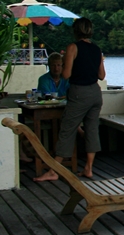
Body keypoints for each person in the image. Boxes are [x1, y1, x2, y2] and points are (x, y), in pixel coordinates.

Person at [34, 18, 105, 182]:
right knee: (92, 129)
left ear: (75, 30)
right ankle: (89, 168)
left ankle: (53, 170)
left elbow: (66, 74)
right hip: (95, 93)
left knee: (67, 130)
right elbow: (101, 75)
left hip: (79, 93)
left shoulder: (73, 47)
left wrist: (70, 64)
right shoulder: (96, 49)